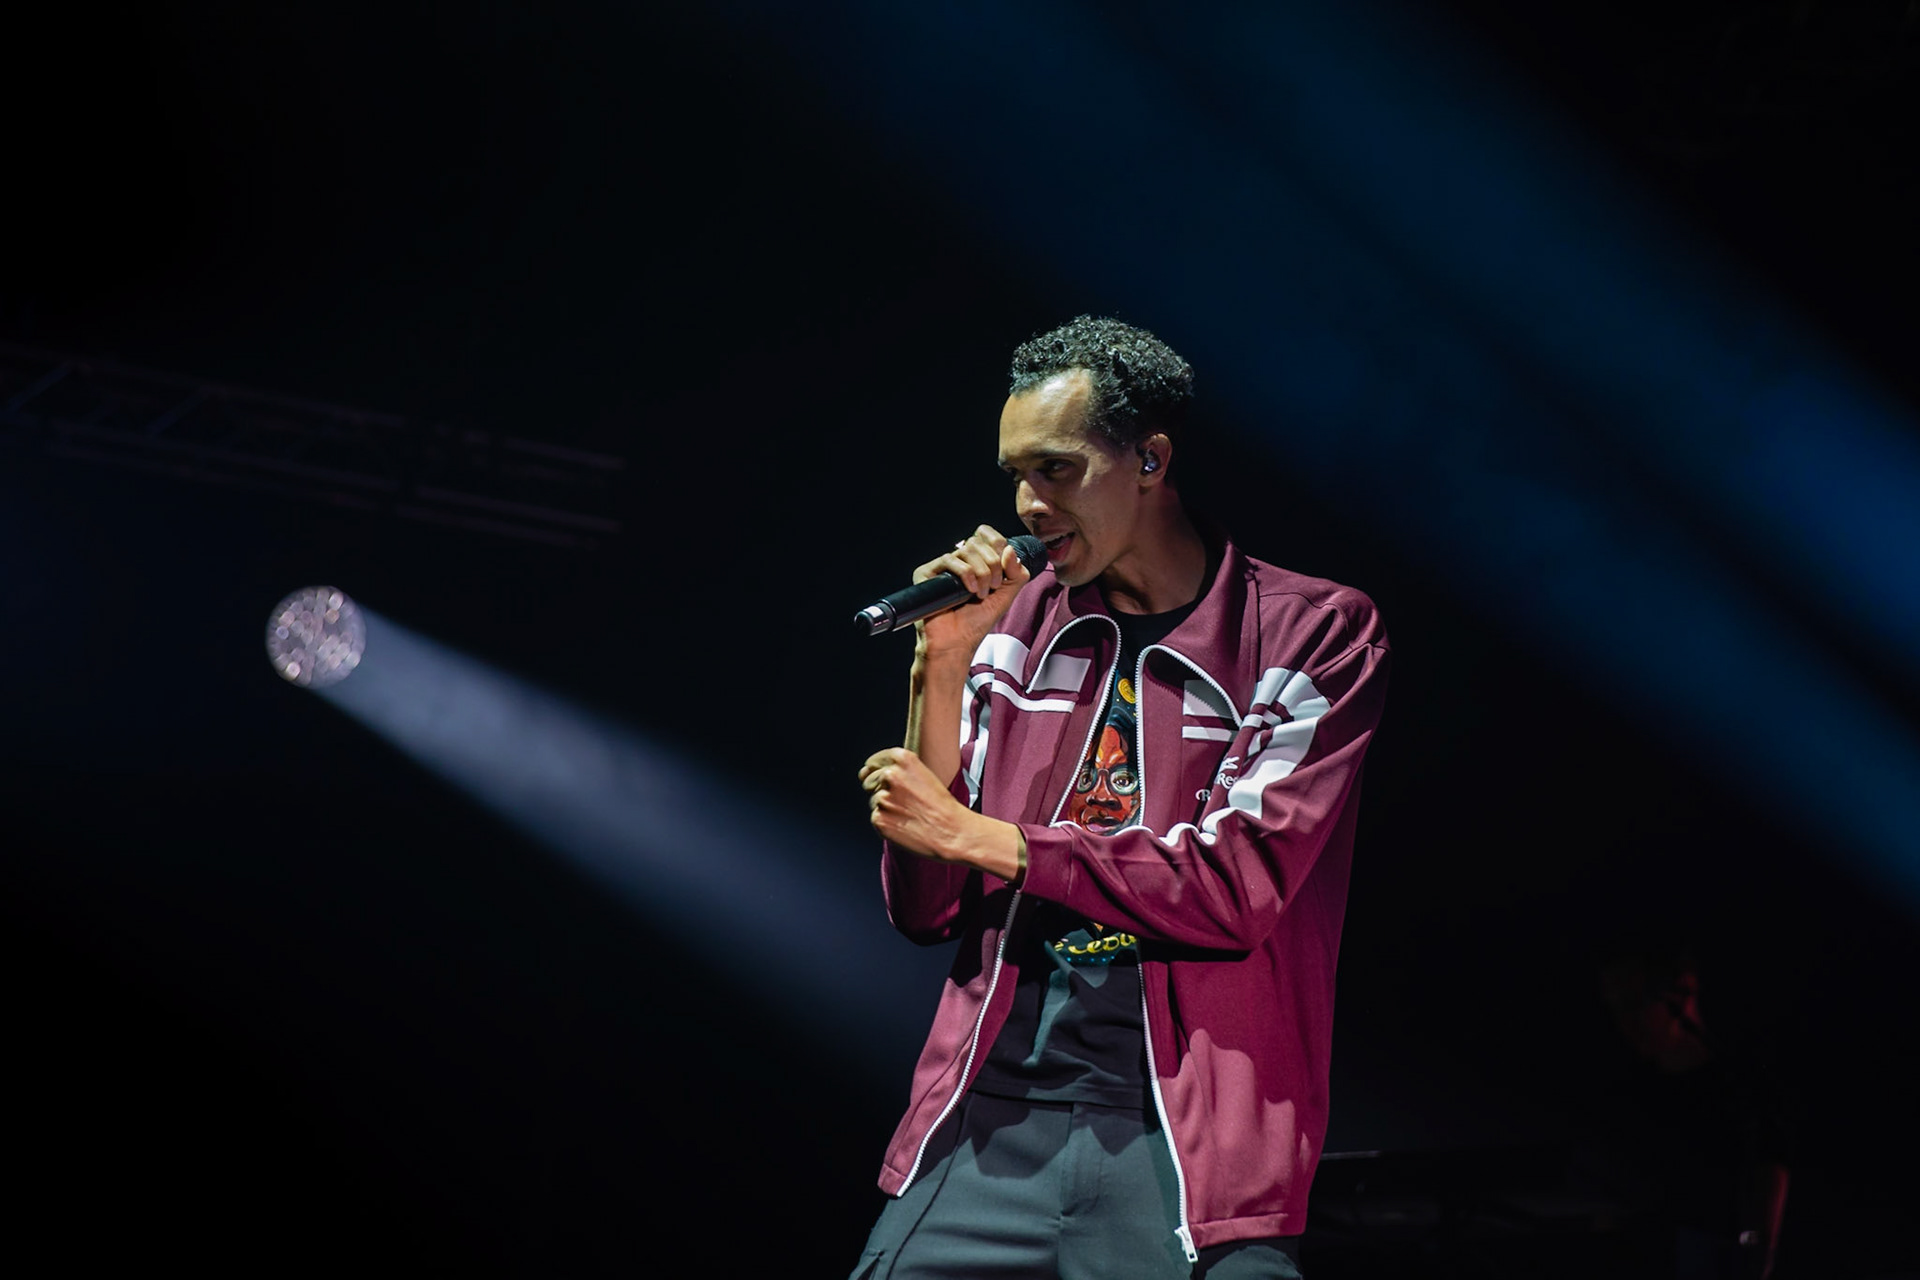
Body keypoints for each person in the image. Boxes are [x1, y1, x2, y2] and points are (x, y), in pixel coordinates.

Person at [855, 316, 1390, 1279]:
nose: (1026, 504)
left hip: (1190, 1156)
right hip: (985, 1127)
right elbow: (926, 907)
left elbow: (1236, 887)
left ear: (1149, 457)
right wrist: (941, 666)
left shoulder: (1312, 634)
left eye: (1056, 471)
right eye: (1016, 474)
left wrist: (998, 841)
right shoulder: (1011, 629)